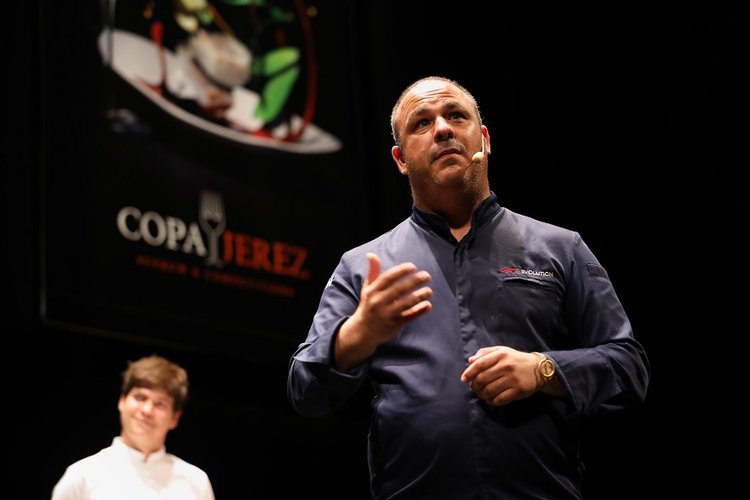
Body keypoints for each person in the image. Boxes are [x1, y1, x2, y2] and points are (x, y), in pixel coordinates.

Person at [287, 76, 650, 499]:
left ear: (484, 139)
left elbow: (629, 368)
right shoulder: (362, 266)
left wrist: (543, 371)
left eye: (456, 115)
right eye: (422, 123)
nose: (442, 129)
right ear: (400, 159)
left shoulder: (560, 247)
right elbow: (305, 389)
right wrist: (358, 334)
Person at [51, 354, 215, 500]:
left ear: (174, 418)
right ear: (122, 401)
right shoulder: (83, 476)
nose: (147, 410)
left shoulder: (196, 482)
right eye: (140, 397)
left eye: (160, 404)